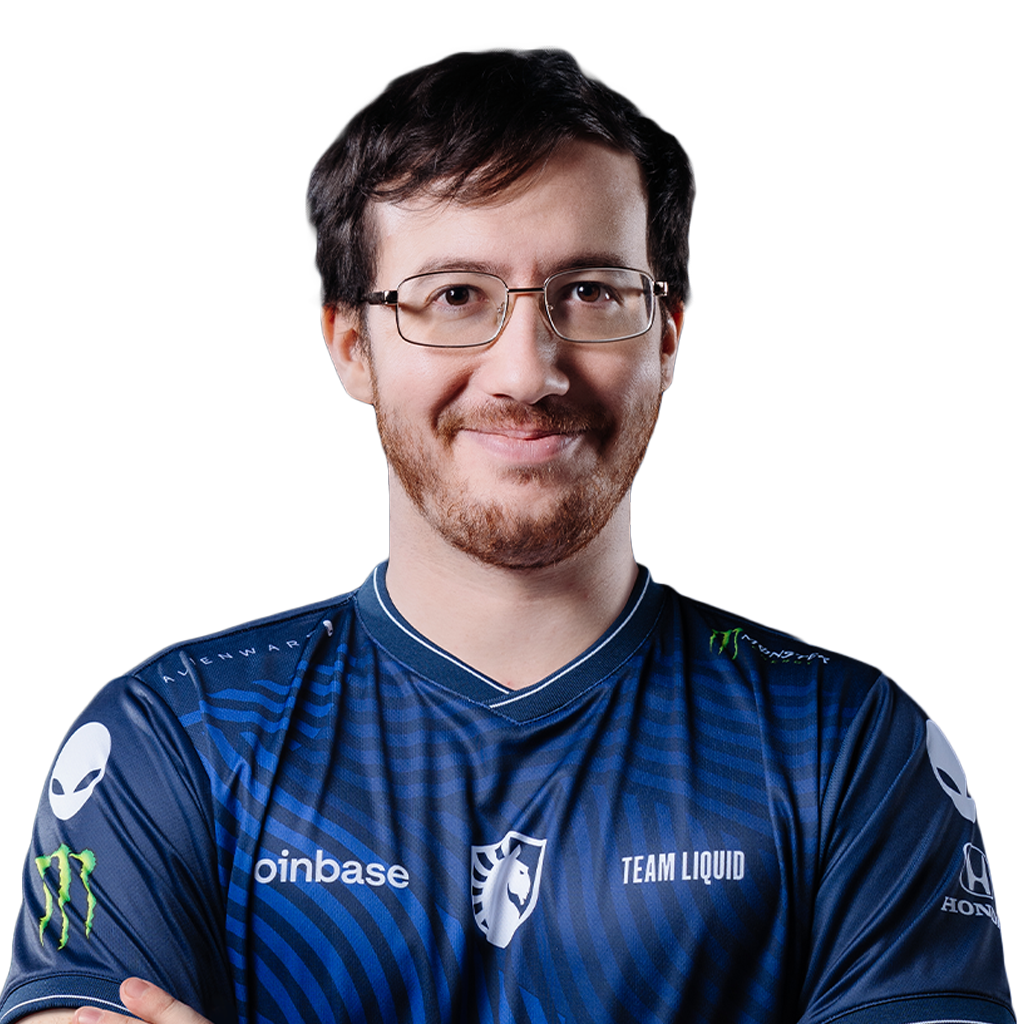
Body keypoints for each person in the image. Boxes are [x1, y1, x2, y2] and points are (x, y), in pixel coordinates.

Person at [0, 41, 1014, 1024]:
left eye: (590, 293)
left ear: (668, 333)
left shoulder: (845, 745)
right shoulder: (173, 739)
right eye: (454, 297)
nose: (527, 372)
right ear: (350, 344)